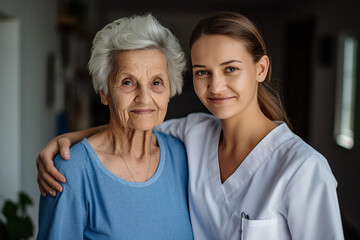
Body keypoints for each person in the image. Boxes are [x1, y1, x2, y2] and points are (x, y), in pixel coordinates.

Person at [36, 12, 344, 240]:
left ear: (260, 68)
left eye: (231, 69)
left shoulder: (303, 169)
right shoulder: (193, 135)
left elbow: (141, 119)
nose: (216, 86)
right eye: (202, 72)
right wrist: (70, 140)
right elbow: (136, 124)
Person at [36, 14, 193, 240]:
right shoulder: (71, 171)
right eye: (128, 82)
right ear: (104, 92)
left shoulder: (183, 156)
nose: (145, 98)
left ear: (170, 90)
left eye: (156, 83)